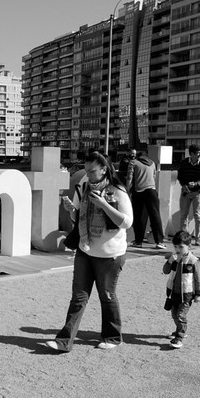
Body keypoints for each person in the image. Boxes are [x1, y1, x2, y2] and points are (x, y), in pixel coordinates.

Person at [45, 151, 133, 352]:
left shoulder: (117, 190)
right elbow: (80, 218)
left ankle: (112, 336)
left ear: (104, 169)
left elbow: (127, 222)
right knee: (78, 297)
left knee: (107, 296)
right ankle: (64, 341)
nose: (88, 175)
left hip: (110, 255)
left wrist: (103, 204)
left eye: (92, 171)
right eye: (86, 171)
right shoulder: (85, 187)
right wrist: (71, 210)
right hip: (86, 250)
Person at [162, 230, 200, 349]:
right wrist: (169, 261)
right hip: (174, 293)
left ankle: (179, 337)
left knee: (180, 315)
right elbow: (165, 271)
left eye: (181, 246)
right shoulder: (174, 259)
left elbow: (198, 278)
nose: (178, 249)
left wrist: (198, 294)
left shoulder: (193, 261)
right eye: (175, 246)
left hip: (187, 294)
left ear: (189, 246)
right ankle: (179, 330)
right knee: (174, 314)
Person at [126, 149, 166, 249]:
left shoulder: (133, 163)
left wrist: (128, 190)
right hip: (152, 191)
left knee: (140, 217)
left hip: (139, 191)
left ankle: (138, 241)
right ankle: (159, 241)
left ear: (138, 156)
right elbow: (154, 176)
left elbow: (129, 179)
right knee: (155, 216)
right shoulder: (152, 163)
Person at [177, 145, 200, 246]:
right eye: (197, 152)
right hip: (186, 192)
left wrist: (196, 184)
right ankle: (185, 239)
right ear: (192, 154)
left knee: (198, 215)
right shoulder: (184, 163)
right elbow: (180, 176)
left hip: (198, 192)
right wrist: (184, 185)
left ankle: (198, 239)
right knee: (183, 215)